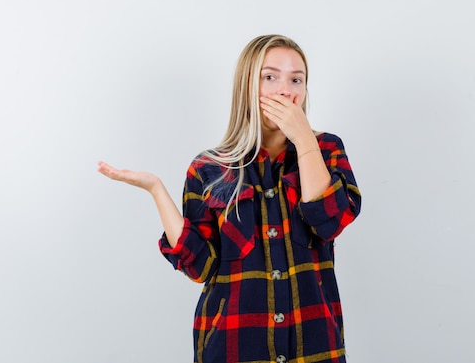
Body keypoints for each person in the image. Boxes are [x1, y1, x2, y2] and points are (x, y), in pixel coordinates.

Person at [98, 34, 361, 363]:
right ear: (247, 86)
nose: (285, 90)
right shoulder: (208, 168)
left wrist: (303, 136)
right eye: (270, 77)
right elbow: (200, 266)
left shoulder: (326, 149)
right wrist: (156, 190)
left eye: (297, 79)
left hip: (314, 345)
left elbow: (330, 221)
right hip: (233, 346)